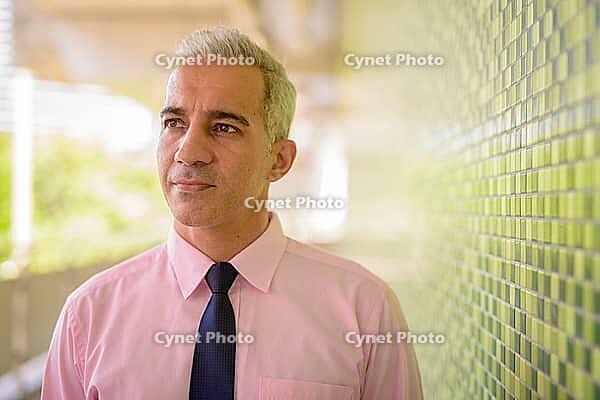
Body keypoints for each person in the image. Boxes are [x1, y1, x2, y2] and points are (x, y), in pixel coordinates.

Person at [41, 26, 423, 400]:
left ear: (279, 159)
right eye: (174, 123)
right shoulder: (89, 316)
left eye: (224, 127)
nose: (188, 152)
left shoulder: (364, 310)